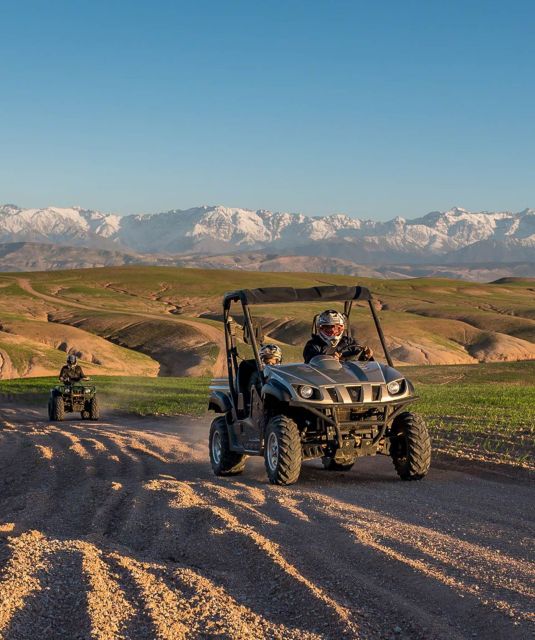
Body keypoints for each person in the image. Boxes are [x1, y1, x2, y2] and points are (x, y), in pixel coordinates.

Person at [303, 309, 373, 364]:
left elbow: (360, 364)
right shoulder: (313, 345)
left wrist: (366, 356)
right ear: (320, 329)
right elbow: (311, 361)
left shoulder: (349, 342)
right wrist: (328, 359)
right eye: (328, 328)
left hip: (348, 379)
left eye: (337, 328)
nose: (333, 331)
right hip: (324, 379)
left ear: (342, 328)